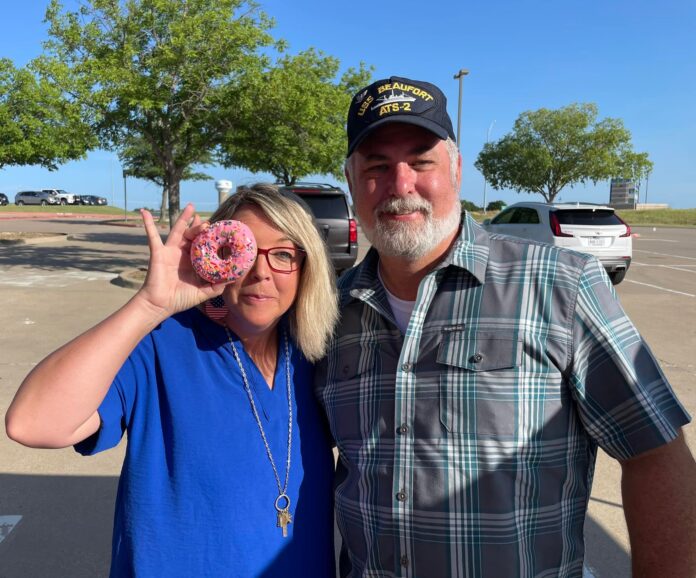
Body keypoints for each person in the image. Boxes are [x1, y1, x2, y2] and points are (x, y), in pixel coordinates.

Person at [315, 76, 696, 577]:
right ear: (350, 180)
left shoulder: (563, 285)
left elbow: (655, 454)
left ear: (455, 168)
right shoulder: (327, 313)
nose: (400, 184)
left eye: (421, 161)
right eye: (377, 166)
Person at [6, 184, 339, 577]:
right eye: (244, 253)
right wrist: (148, 305)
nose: (262, 272)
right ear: (217, 257)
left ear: (306, 268)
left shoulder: (320, 354)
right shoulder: (160, 343)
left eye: (283, 254)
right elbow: (32, 423)